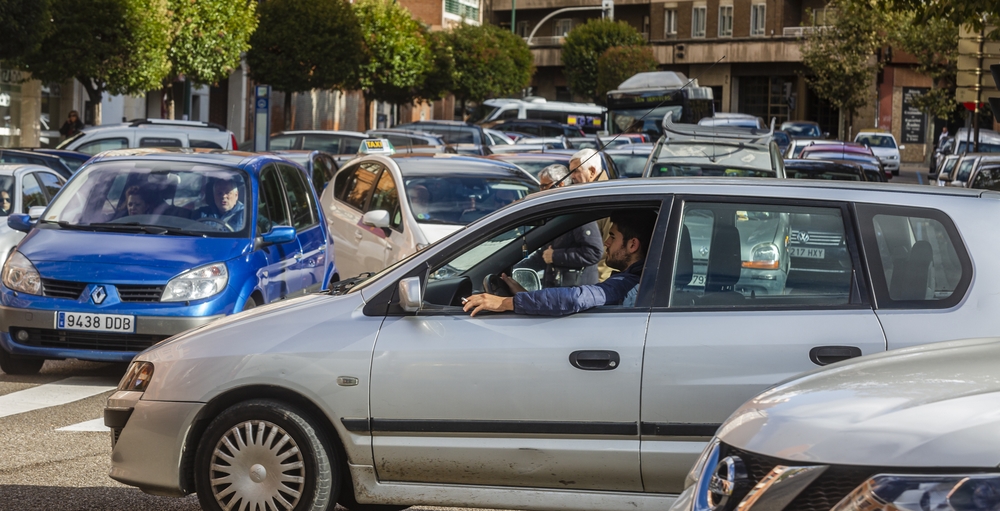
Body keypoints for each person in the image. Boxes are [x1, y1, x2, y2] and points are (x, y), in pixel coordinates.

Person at [463, 210, 656, 317]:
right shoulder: (644, 280)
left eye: (612, 237)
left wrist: (506, 302)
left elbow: (575, 298)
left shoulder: (627, 283)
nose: (606, 242)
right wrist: (525, 296)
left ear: (632, 245)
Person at [520, 164, 603, 288]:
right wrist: (517, 267)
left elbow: (594, 252)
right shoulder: (557, 212)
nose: (541, 191)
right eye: (540, 186)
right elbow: (545, 253)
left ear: (560, 185)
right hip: (559, 291)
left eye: (544, 186)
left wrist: (556, 256)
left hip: (576, 294)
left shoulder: (576, 212)